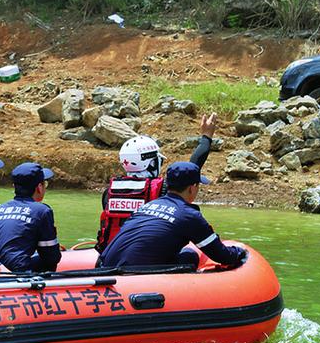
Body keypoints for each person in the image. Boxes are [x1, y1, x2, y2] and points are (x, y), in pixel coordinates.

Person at [95, 113, 218, 253]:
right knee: (189, 253)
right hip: (146, 258)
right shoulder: (162, 189)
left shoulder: (110, 192)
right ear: (152, 163)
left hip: (110, 254)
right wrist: (206, 137)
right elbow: (192, 167)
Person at [98, 162, 246, 269]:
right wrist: (241, 251)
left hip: (105, 266)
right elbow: (223, 256)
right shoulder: (189, 215)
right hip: (134, 277)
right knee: (190, 255)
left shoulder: (147, 206)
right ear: (192, 188)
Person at [0, 162, 61, 272]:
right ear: (39, 187)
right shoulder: (42, 211)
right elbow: (52, 257)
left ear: (14, 186)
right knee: (48, 261)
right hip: (15, 274)